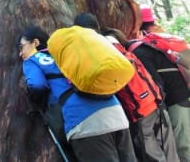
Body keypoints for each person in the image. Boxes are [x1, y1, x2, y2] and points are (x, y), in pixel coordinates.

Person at [17, 25, 137, 162]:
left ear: (35, 43)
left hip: (85, 121)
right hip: (115, 112)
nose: (20, 53)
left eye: (22, 47)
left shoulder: (32, 61)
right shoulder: (66, 54)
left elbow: (37, 85)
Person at [74, 12, 180, 162]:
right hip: (155, 99)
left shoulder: (97, 48)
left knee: (153, 154)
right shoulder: (116, 43)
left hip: (139, 107)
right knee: (169, 151)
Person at [131, 7, 190, 162]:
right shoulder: (164, 41)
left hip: (176, 101)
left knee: (183, 145)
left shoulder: (141, 50)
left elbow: (155, 84)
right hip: (185, 93)